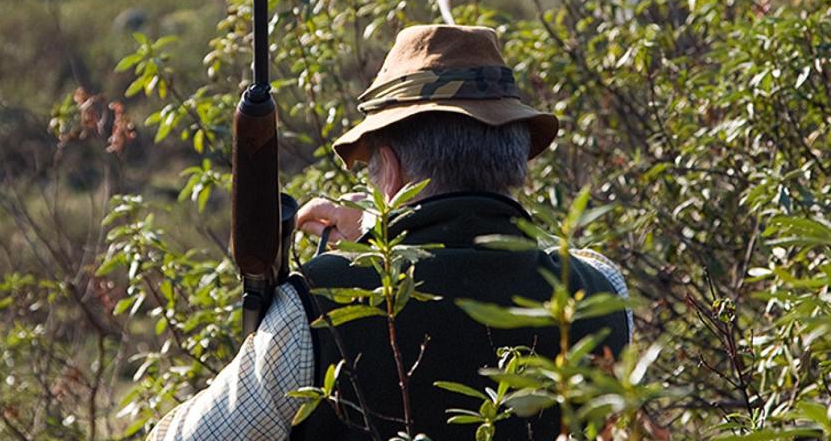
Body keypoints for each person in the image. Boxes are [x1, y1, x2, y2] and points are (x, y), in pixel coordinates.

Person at [149, 25, 631, 441]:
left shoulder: (317, 310)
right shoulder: (601, 294)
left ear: (394, 171)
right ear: (513, 160)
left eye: (372, 171)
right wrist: (381, 237)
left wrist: (333, 279)